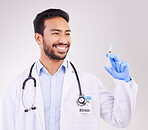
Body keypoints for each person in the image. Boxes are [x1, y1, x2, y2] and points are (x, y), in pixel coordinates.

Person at [1, 9, 138, 130]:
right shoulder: (17, 87)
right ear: (38, 38)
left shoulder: (89, 82)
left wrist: (123, 82)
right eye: (56, 33)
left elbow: (120, 119)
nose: (64, 40)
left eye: (67, 33)